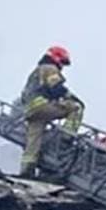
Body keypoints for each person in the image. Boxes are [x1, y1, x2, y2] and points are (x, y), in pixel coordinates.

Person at [18, 45, 83, 177]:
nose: (62, 67)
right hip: (42, 106)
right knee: (77, 107)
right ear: (56, 58)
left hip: (30, 111)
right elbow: (56, 87)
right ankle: (67, 136)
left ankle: (26, 170)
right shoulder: (50, 68)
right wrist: (72, 97)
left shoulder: (36, 71)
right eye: (62, 62)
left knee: (33, 142)